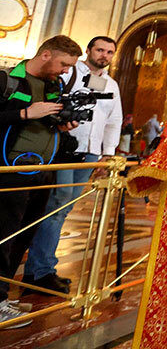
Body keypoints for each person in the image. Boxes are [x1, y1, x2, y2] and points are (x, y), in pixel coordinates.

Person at [24, 36, 122, 295]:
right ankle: (41, 271)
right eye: (100, 50)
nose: (104, 55)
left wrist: (107, 154)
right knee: (57, 205)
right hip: (64, 148)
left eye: (109, 52)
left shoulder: (111, 84)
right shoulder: (68, 73)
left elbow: (114, 121)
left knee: (63, 209)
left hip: (91, 152)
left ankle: (39, 268)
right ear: (88, 50)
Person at [0, 36, 82, 327]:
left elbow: (44, 126)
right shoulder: (8, 80)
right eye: (64, 64)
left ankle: (3, 294)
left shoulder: (53, 86)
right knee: (3, 237)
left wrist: (62, 126)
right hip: (9, 172)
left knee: (22, 236)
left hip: (42, 172)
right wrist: (24, 113)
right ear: (46, 54)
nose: (66, 71)